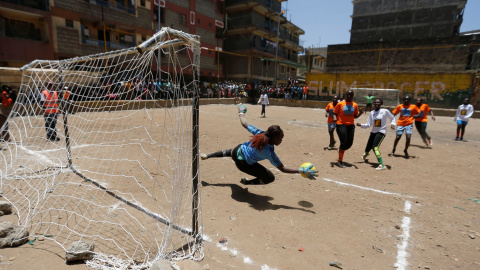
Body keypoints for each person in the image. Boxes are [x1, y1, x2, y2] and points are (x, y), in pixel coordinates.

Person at [200, 105, 318, 185]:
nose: (281, 141)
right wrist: (300, 171)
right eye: (280, 138)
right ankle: (248, 182)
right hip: (243, 164)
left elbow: (244, 123)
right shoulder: (270, 152)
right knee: (270, 178)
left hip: (237, 151)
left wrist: (241, 112)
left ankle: (207, 155)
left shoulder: (261, 133)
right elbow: (282, 169)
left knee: (233, 151)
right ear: (273, 138)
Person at [357, 98, 396, 170]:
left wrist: (393, 124)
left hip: (381, 131)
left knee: (375, 147)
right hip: (374, 131)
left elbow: (392, 118)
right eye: (375, 102)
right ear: (373, 103)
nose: (376, 104)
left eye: (378, 103)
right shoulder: (372, 112)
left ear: (381, 104)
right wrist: (361, 125)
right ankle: (366, 154)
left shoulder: (385, 111)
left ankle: (382, 165)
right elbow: (368, 124)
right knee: (368, 146)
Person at [333, 90, 363, 168]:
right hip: (341, 124)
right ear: (345, 95)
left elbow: (355, 116)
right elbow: (334, 113)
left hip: (351, 126)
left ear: (353, 96)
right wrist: (334, 119)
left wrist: (360, 113)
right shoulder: (340, 104)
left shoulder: (355, 105)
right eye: (348, 95)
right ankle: (340, 161)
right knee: (344, 142)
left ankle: (340, 150)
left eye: (351, 95)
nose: (349, 97)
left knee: (349, 144)